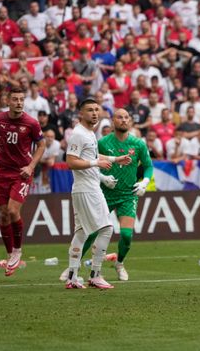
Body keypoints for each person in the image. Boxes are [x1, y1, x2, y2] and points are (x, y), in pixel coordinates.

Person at [71, 109, 153, 281]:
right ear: (112, 121)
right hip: (104, 193)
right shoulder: (102, 142)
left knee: (126, 235)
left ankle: (119, 263)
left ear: (130, 121)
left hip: (128, 195)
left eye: (126, 117)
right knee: (91, 232)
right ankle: (74, 266)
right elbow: (92, 163)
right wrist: (103, 177)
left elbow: (148, 166)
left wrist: (144, 182)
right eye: (119, 117)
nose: (123, 120)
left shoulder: (138, 143)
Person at [64, 98, 131, 289]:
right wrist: (96, 164)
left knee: (81, 232)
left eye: (96, 110)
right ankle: (95, 274)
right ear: (81, 113)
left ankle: (72, 277)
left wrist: (114, 158)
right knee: (106, 228)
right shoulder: (79, 134)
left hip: (86, 187)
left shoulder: (89, 133)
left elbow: (92, 155)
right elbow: (71, 161)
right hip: (87, 188)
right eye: (90, 110)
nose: (94, 113)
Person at [0, 88, 45, 276]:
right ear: (8, 101)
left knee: (13, 210)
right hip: (2, 172)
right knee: (3, 215)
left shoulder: (31, 123)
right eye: (15, 99)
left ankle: (17, 251)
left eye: (21, 99)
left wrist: (31, 166)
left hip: (21, 173)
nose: (18, 102)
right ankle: (10, 256)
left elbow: (41, 145)